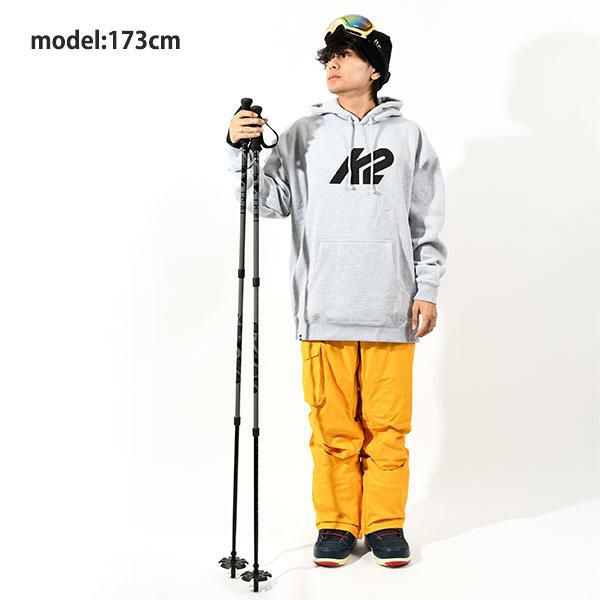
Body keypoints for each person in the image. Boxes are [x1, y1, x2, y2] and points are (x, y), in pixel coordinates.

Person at [224, 14, 448, 569]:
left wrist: (427, 288)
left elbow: (426, 219)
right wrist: (237, 149)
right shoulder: (303, 133)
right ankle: (337, 524)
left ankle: (385, 523)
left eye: (345, 55)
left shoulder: (409, 135)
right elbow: (265, 203)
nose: (332, 64)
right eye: (328, 56)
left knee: (389, 429)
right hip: (323, 308)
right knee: (332, 428)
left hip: (392, 309)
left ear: (374, 69)